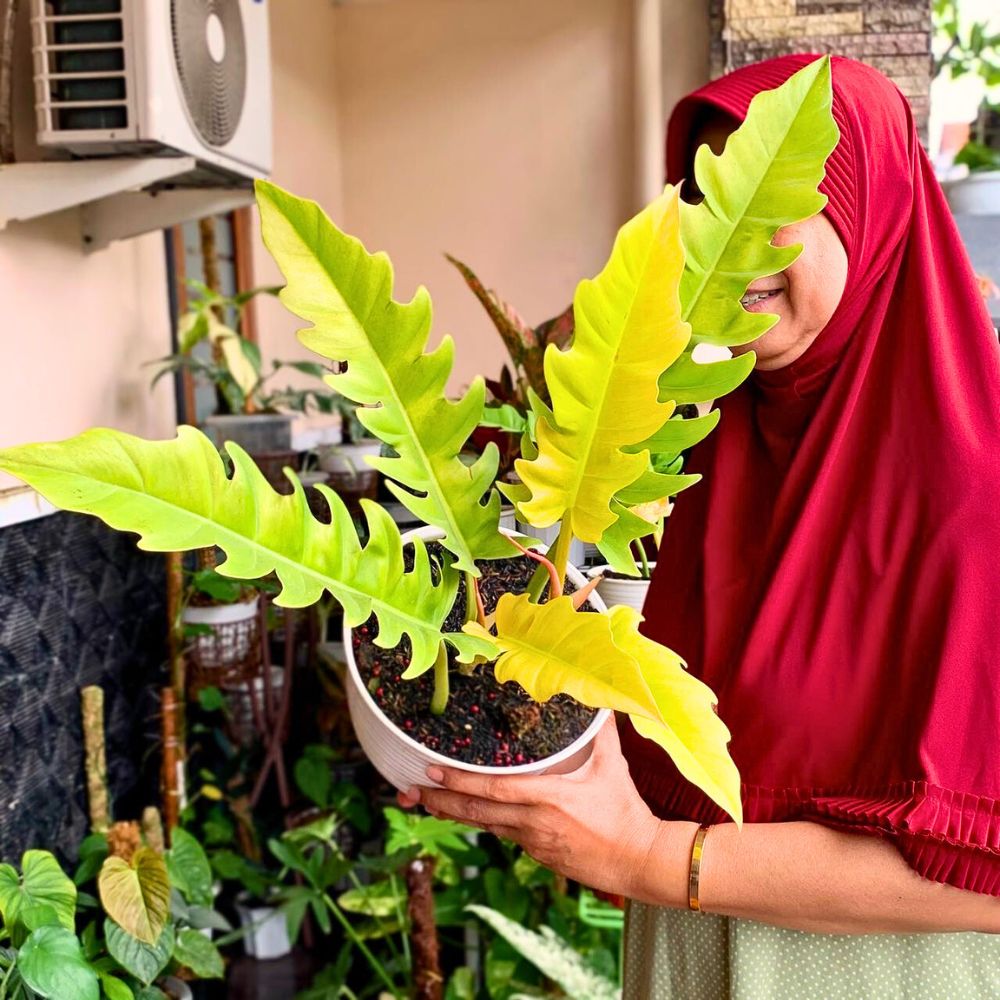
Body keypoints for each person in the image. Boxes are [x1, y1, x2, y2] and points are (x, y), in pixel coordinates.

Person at [398, 55, 1000, 998]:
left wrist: (649, 858)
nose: (732, 249)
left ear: (869, 211)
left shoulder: (979, 492)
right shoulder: (711, 438)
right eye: (709, 209)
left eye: (776, 209)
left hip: (878, 971)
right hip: (686, 949)